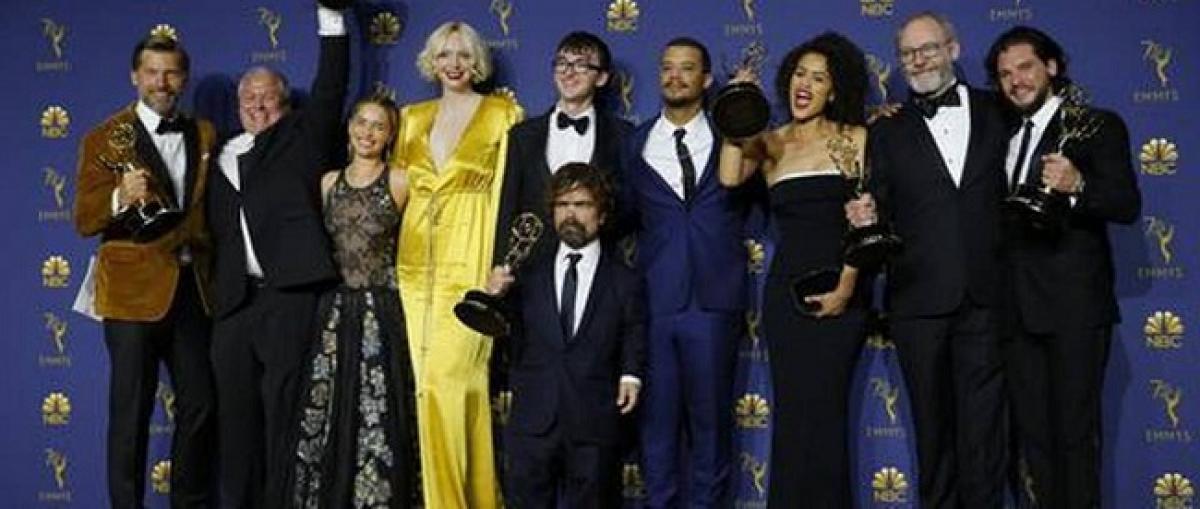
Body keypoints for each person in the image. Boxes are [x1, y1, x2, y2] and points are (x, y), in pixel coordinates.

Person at [847, 11, 1010, 508]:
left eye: (928, 49)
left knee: (985, 435)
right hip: (918, 300)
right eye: (908, 54)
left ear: (952, 50)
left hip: (987, 296)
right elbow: (878, 208)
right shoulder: (886, 130)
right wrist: (865, 216)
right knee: (932, 433)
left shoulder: (999, 111)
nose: (918, 60)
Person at [985, 25, 1140, 509]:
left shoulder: (1096, 125)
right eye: (1005, 74)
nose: (1016, 81)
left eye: (1025, 67)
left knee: (1074, 439)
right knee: (1034, 442)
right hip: (1017, 314)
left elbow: (1125, 203)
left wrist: (1078, 186)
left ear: (1051, 66)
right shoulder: (1002, 134)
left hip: (1074, 310)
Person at [718, 32, 870, 508]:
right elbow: (728, 176)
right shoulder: (771, 143)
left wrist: (846, 287)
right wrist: (738, 103)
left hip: (844, 289)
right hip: (787, 296)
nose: (805, 85)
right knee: (791, 416)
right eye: (800, 74)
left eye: (819, 78)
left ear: (835, 89)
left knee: (826, 415)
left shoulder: (857, 138)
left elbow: (866, 218)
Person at [205, 5, 350, 506]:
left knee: (285, 416)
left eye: (267, 97)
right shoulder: (217, 154)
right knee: (236, 421)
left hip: (289, 298)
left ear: (285, 103)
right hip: (232, 305)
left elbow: (331, 85)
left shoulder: (303, 137)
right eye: (248, 98)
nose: (257, 105)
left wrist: (332, 18)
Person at [73, 32, 216, 508]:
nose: (162, 82)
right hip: (130, 296)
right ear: (135, 76)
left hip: (191, 290)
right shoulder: (105, 137)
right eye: (152, 72)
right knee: (131, 413)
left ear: (184, 78)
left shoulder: (204, 133)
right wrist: (119, 196)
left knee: (201, 404)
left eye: (171, 73)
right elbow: (84, 218)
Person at [389, 21, 522, 508]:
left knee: (454, 383)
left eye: (464, 55)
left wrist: (500, 265)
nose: (454, 64)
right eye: (445, 54)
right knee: (426, 391)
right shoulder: (411, 118)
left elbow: (509, 194)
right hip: (413, 269)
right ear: (432, 61)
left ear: (477, 62)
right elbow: (394, 193)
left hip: (471, 263)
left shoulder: (502, 114)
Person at [620, 37, 755, 508]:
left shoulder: (730, 134)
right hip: (656, 300)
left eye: (686, 68)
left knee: (710, 426)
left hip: (714, 300)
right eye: (667, 68)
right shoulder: (635, 141)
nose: (674, 76)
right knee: (656, 426)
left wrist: (744, 107)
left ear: (706, 78)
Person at [485, 162, 646, 508]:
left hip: (593, 421)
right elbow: (500, 329)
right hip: (534, 419)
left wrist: (631, 375)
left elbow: (634, 329)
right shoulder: (525, 273)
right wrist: (494, 297)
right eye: (562, 204)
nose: (570, 214)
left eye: (582, 204)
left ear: (602, 214)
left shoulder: (624, 278)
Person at [289, 94, 421, 508]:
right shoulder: (328, 182)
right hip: (333, 311)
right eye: (362, 122)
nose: (368, 132)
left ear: (391, 135)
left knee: (378, 411)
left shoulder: (401, 181)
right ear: (349, 127)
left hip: (382, 312)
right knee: (329, 410)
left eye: (379, 126)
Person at [496, 31, 632, 264]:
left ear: (601, 78)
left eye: (581, 65)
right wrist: (500, 264)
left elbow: (630, 208)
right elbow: (508, 206)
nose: (568, 73)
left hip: (602, 265)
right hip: (533, 266)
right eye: (562, 64)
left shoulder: (624, 135)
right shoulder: (522, 136)